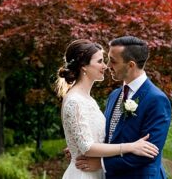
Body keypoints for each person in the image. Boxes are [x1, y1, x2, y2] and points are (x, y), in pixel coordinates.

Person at [57, 39, 159, 179]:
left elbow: (150, 150)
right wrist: (131, 146)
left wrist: (80, 147)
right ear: (83, 66)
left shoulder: (88, 99)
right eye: (100, 61)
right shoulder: (75, 100)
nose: (106, 66)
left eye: (110, 61)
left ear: (131, 65)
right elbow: (87, 147)